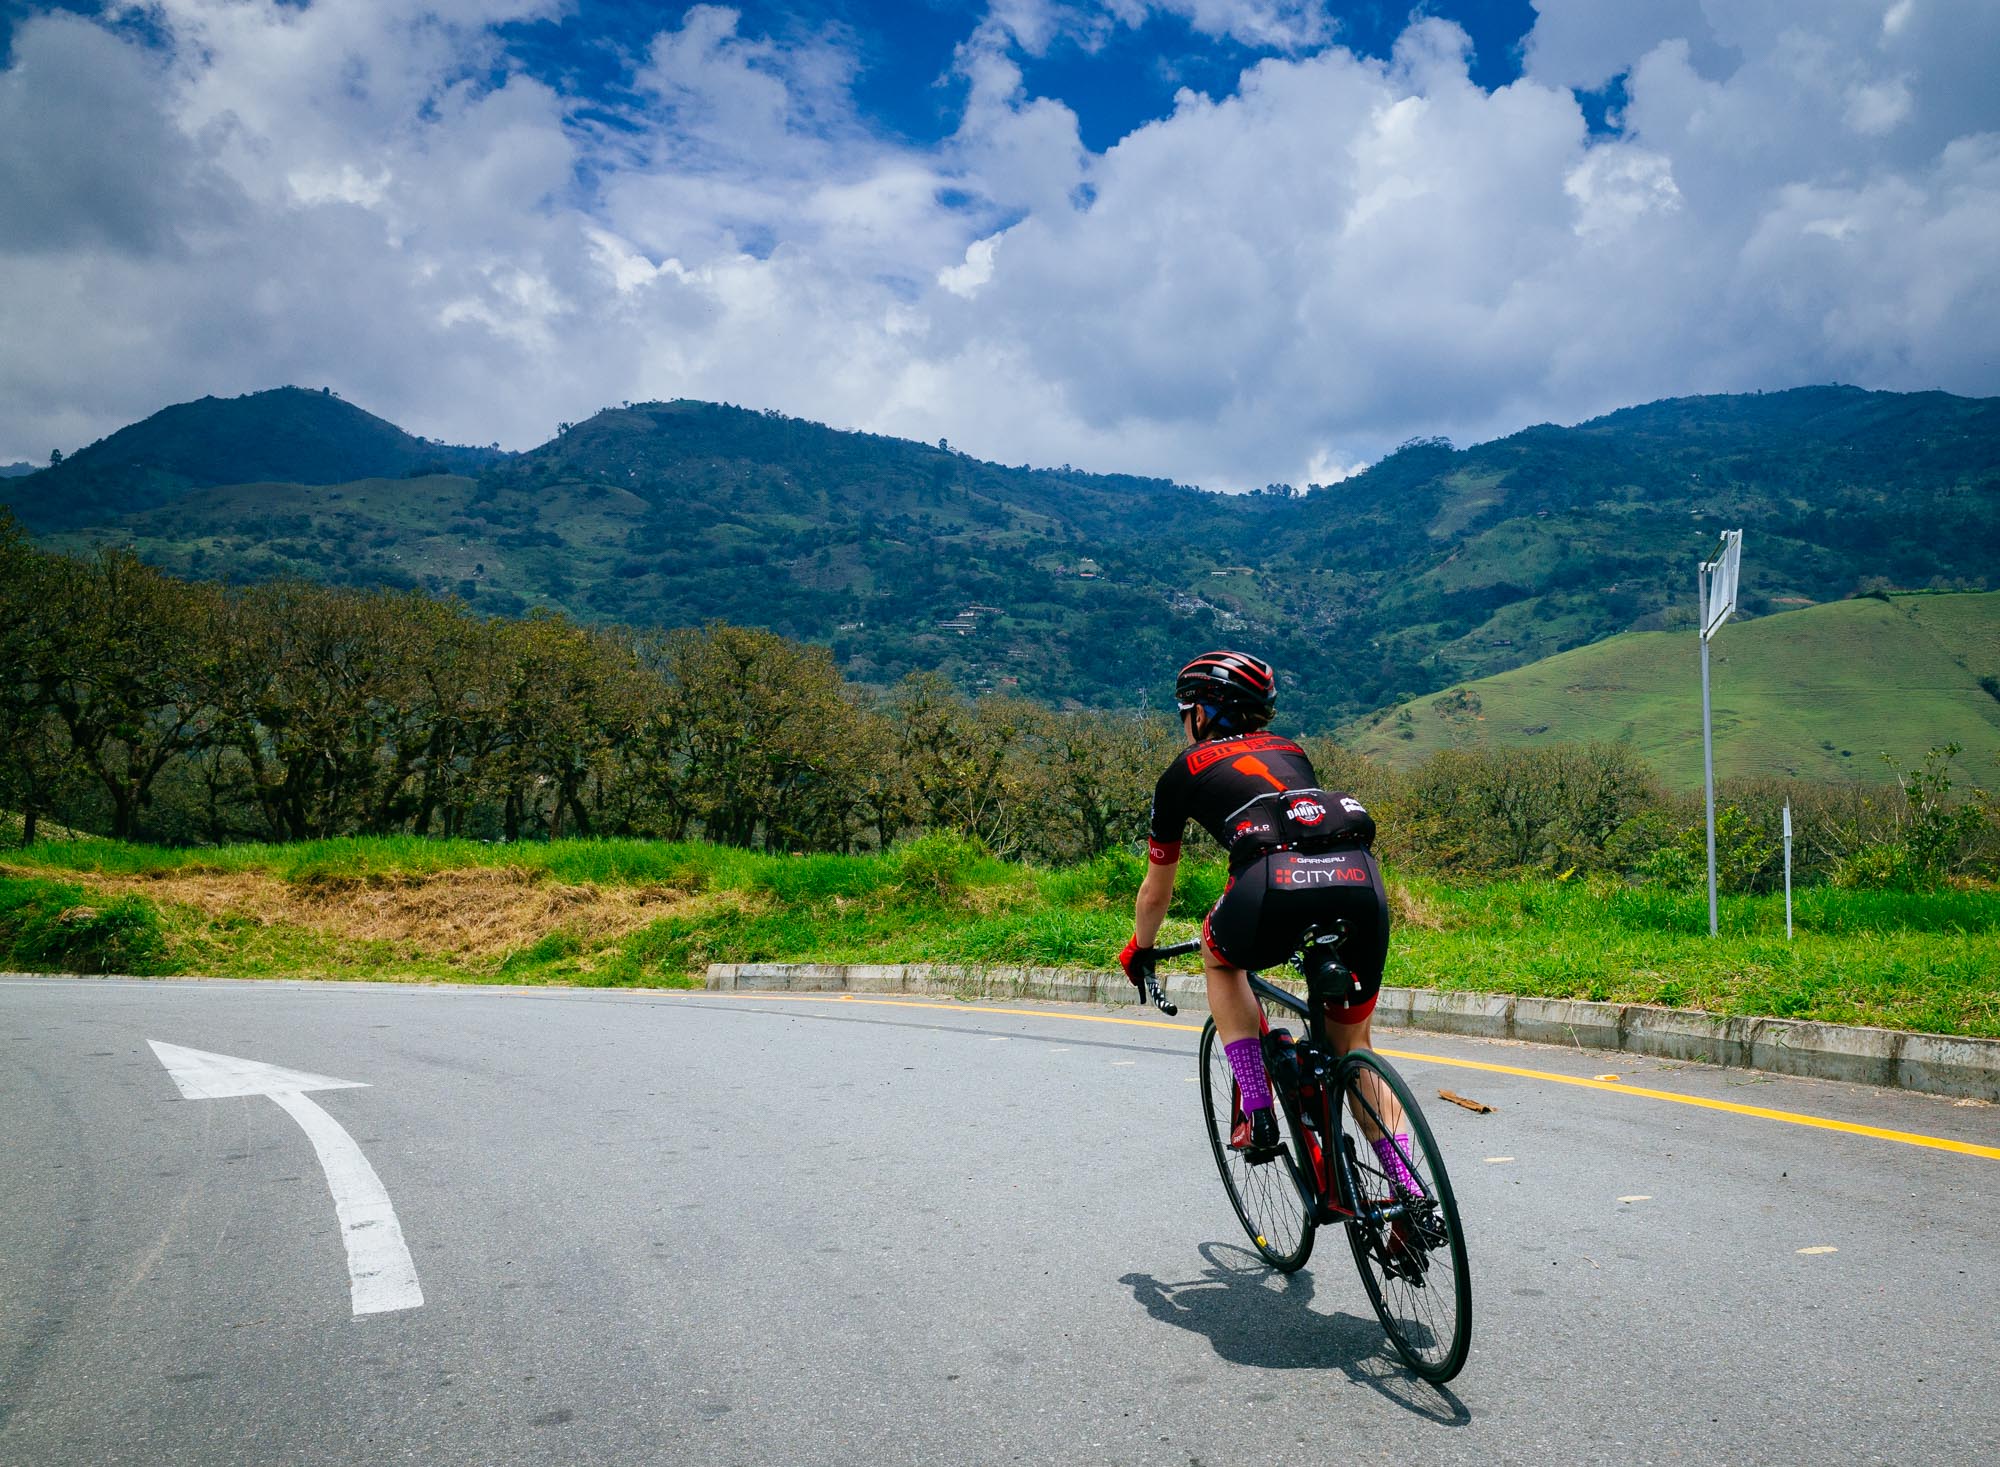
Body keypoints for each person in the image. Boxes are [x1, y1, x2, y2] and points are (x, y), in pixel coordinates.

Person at [1117, 650, 1417, 1195]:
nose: (1185, 720)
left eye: (1186, 709)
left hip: (1270, 883)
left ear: (1204, 714)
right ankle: (1408, 1185)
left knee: (1219, 958)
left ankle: (1255, 1105)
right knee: (1354, 1050)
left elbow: (1155, 890)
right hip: (1359, 881)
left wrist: (1141, 948)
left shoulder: (1181, 772)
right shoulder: (1291, 750)